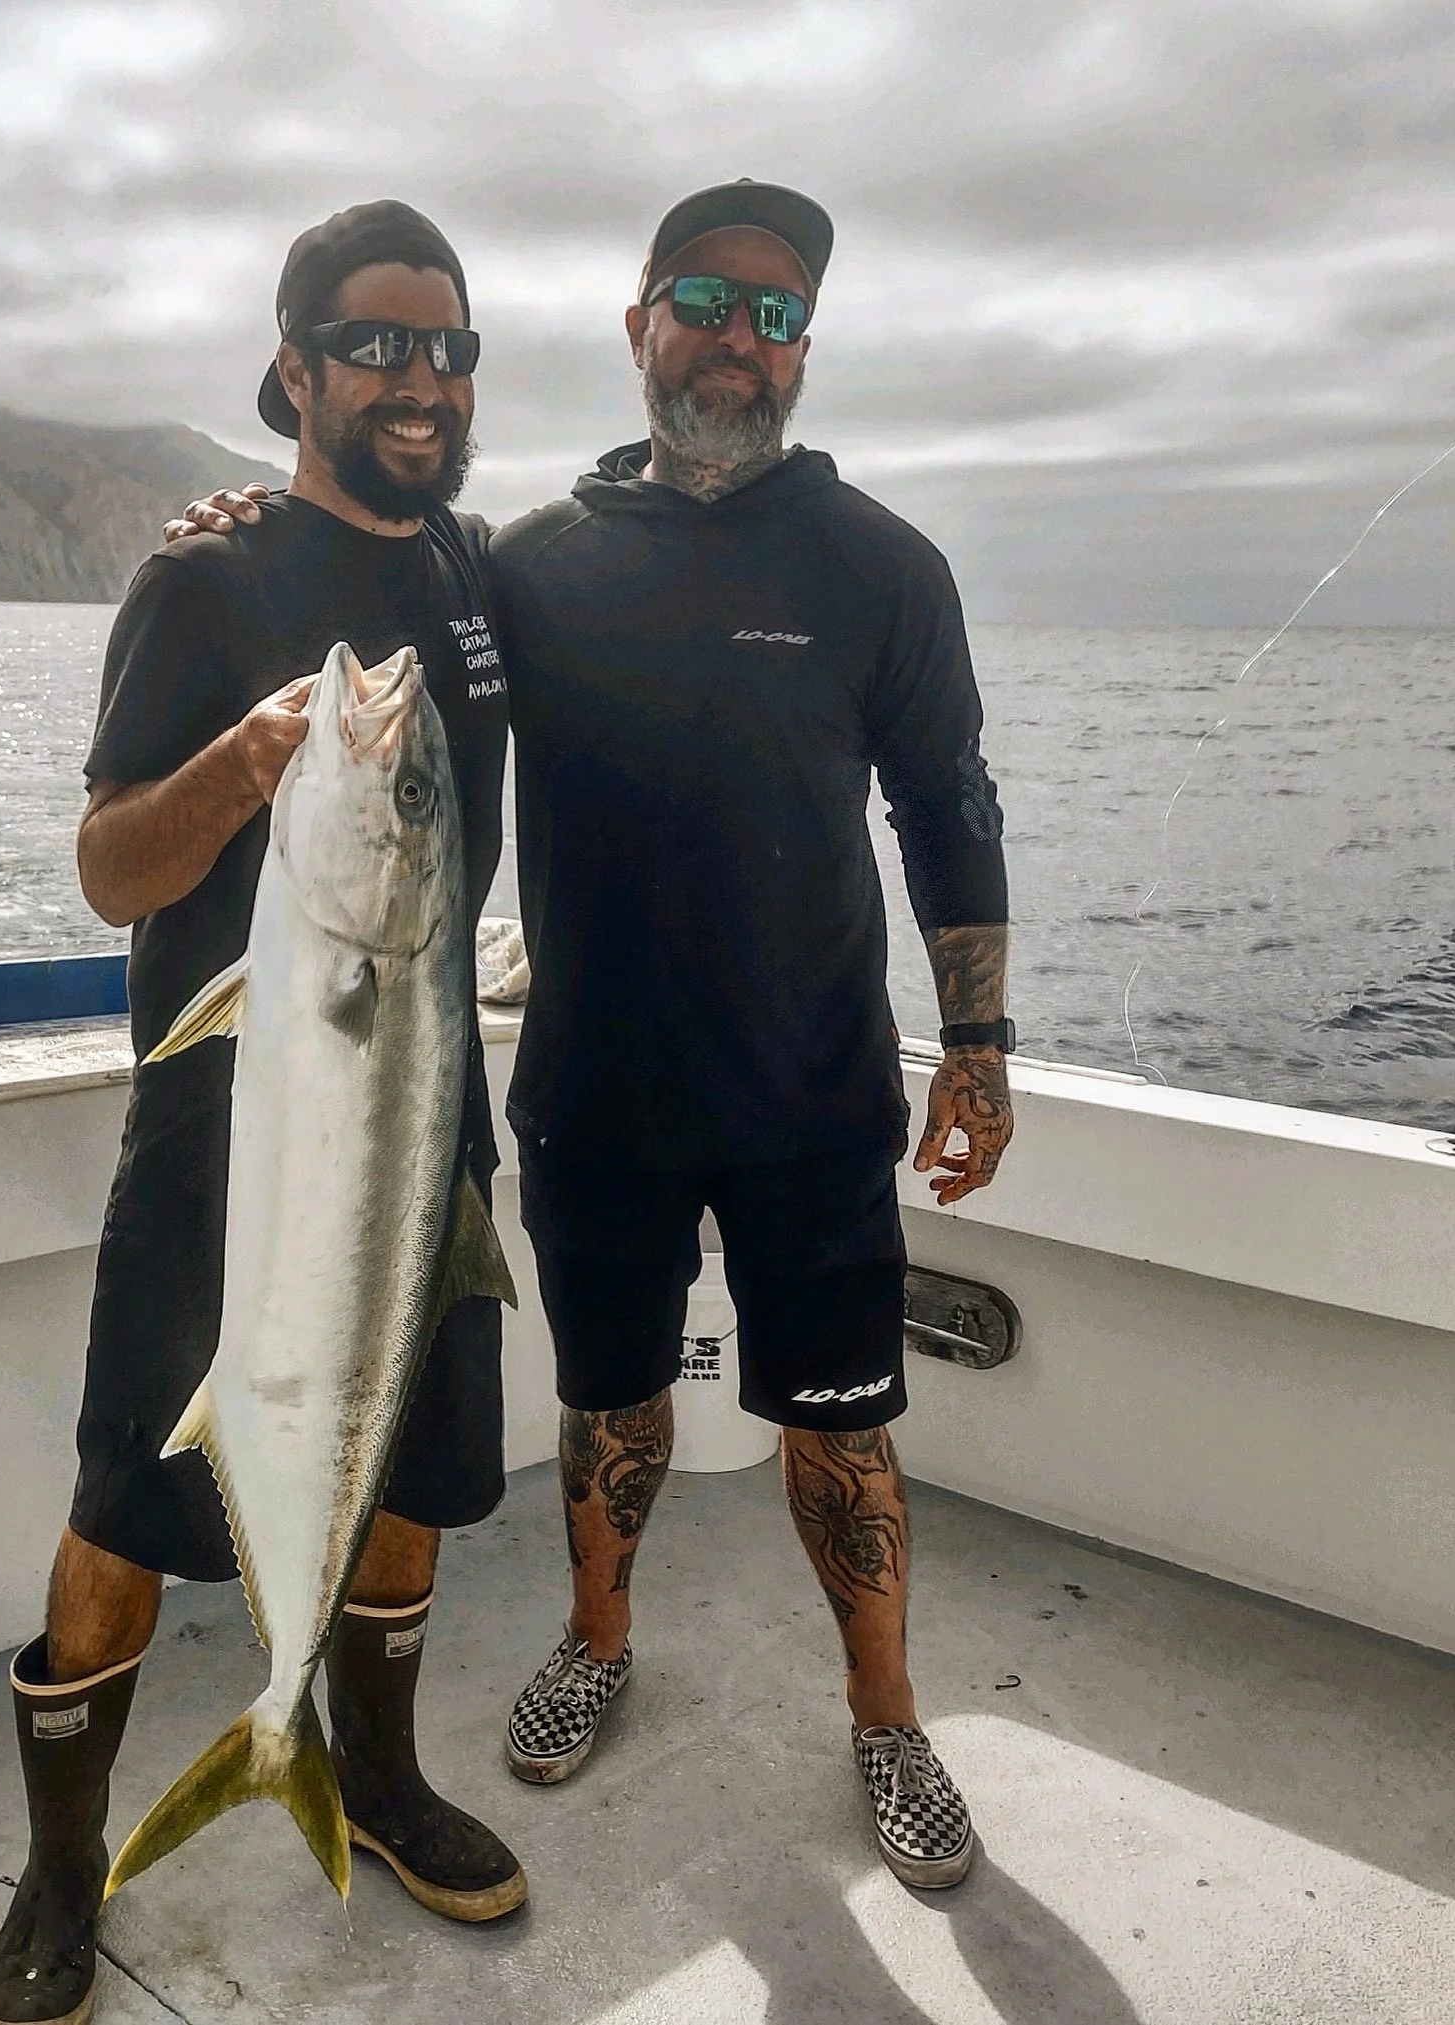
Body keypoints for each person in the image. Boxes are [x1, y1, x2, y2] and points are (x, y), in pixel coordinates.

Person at [168, 180, 1014, 1895]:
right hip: (595, 1095)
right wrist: (245, 526)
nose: (735, 340)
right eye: (704, 300)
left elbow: (945, 803)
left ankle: (887, 1719)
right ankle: (595, 1642)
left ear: (805, 353)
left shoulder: (881, 570)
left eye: (775, 315)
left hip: (810, 1094)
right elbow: (371, 579)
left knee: (843, 1430)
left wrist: (978, 1039)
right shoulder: (527, 565)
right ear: (638, 326)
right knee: (609, 1404)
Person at [0, 200, 523, 2025]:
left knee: (411, 1476)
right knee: (127, 1507)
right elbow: (111, 872)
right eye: (376, 344)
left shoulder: (471, 573)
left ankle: (358, 1773)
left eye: (447, 348)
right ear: (291, 365)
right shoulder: (201, 586)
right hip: (220, 1155)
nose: (418, 379)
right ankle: (66, 1872)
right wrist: (235, 763)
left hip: (424, 1123)